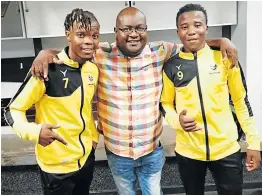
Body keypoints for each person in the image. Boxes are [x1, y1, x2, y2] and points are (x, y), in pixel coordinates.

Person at [30, 7, 239, 195]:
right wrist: (44, 53)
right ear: (116, 31)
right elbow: (70, 51)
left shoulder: (161, 51)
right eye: (126, 29)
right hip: (118, 152)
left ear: (146, 30)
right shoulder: (99, 53)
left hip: (151, 151)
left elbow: (192, 40)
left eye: (139, 28)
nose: (133, 34)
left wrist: (222, 41)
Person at [160, 3, 261, 195]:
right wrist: (177, 121)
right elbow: (164, 104)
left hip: (227, 149)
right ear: (178, 32)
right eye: (184, 27)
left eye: (197, 25)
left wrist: (254, 144)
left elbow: (241, 102)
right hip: (188, 151)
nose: (191, 31)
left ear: (206, 28)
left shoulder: (225, 57)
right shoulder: (171, 67)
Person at [4, 8, 100, 195]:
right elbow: (12, 110)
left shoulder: (92, 69)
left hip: (86, 160)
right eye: (81, 34)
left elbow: (85, 109)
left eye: (94, 35)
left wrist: (93, 138)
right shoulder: (47, 70)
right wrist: (35, 132)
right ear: (68, 35)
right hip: (56, 168)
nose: (89, 41)